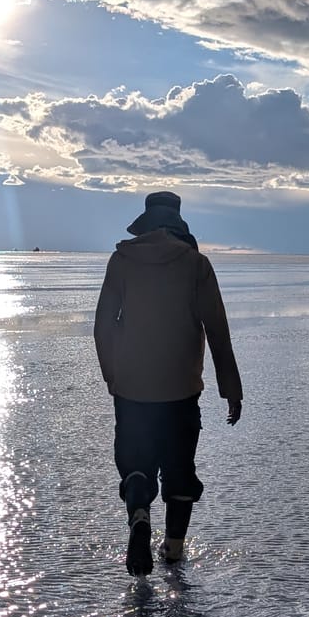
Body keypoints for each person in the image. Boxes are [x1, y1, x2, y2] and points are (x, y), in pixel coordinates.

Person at [92, 190, 243, 576]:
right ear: (178, 223)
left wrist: (113, 374)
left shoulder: (121, 260)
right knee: (179, 471)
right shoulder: (196, 264)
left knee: (136, 466)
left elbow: (103, 326)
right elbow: (217, 331)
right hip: (180, 388)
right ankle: (174, 552)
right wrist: (231, 388)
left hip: (131, 388)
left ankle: (140, 515)